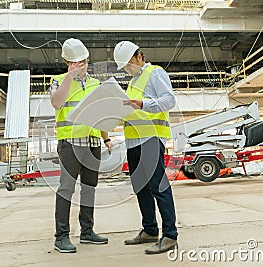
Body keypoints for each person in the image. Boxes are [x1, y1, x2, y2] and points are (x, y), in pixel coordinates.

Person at [113, 41, 178, 254]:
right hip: (134, 141)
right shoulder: (133, 82)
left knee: (158, 187)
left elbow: (169, 100)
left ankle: (170, 235)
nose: (127, 68)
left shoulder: (154, 73)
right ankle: (150, 230)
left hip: (151, 139)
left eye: (128, 63)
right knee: (140, 188)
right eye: (123, 66)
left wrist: (143, 104)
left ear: (140, 56)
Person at [50, 38, 111, 253]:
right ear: (67, 62)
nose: (80, 65)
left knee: (88, 189)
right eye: (75, 62)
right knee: (66, 189)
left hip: (93, 143)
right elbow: (56, 103)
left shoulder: (95, 83)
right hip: (70, 144)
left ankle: (87, 232)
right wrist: (69, 78)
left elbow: (101, 114)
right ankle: (61, 236)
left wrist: (106, 138)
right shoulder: (58, 80)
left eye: (83, 61)